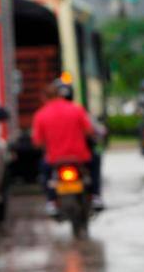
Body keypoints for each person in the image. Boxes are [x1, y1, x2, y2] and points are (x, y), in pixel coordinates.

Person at [32, 80, 103, 216]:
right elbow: (89, 131)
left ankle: (51, 201)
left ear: (44, 98)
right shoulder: (76, 109)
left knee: (45, 173)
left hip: (54, 159)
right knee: (95, 162)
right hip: (80, 157)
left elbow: (37, 142)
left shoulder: (41, 115)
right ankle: (95, 196)